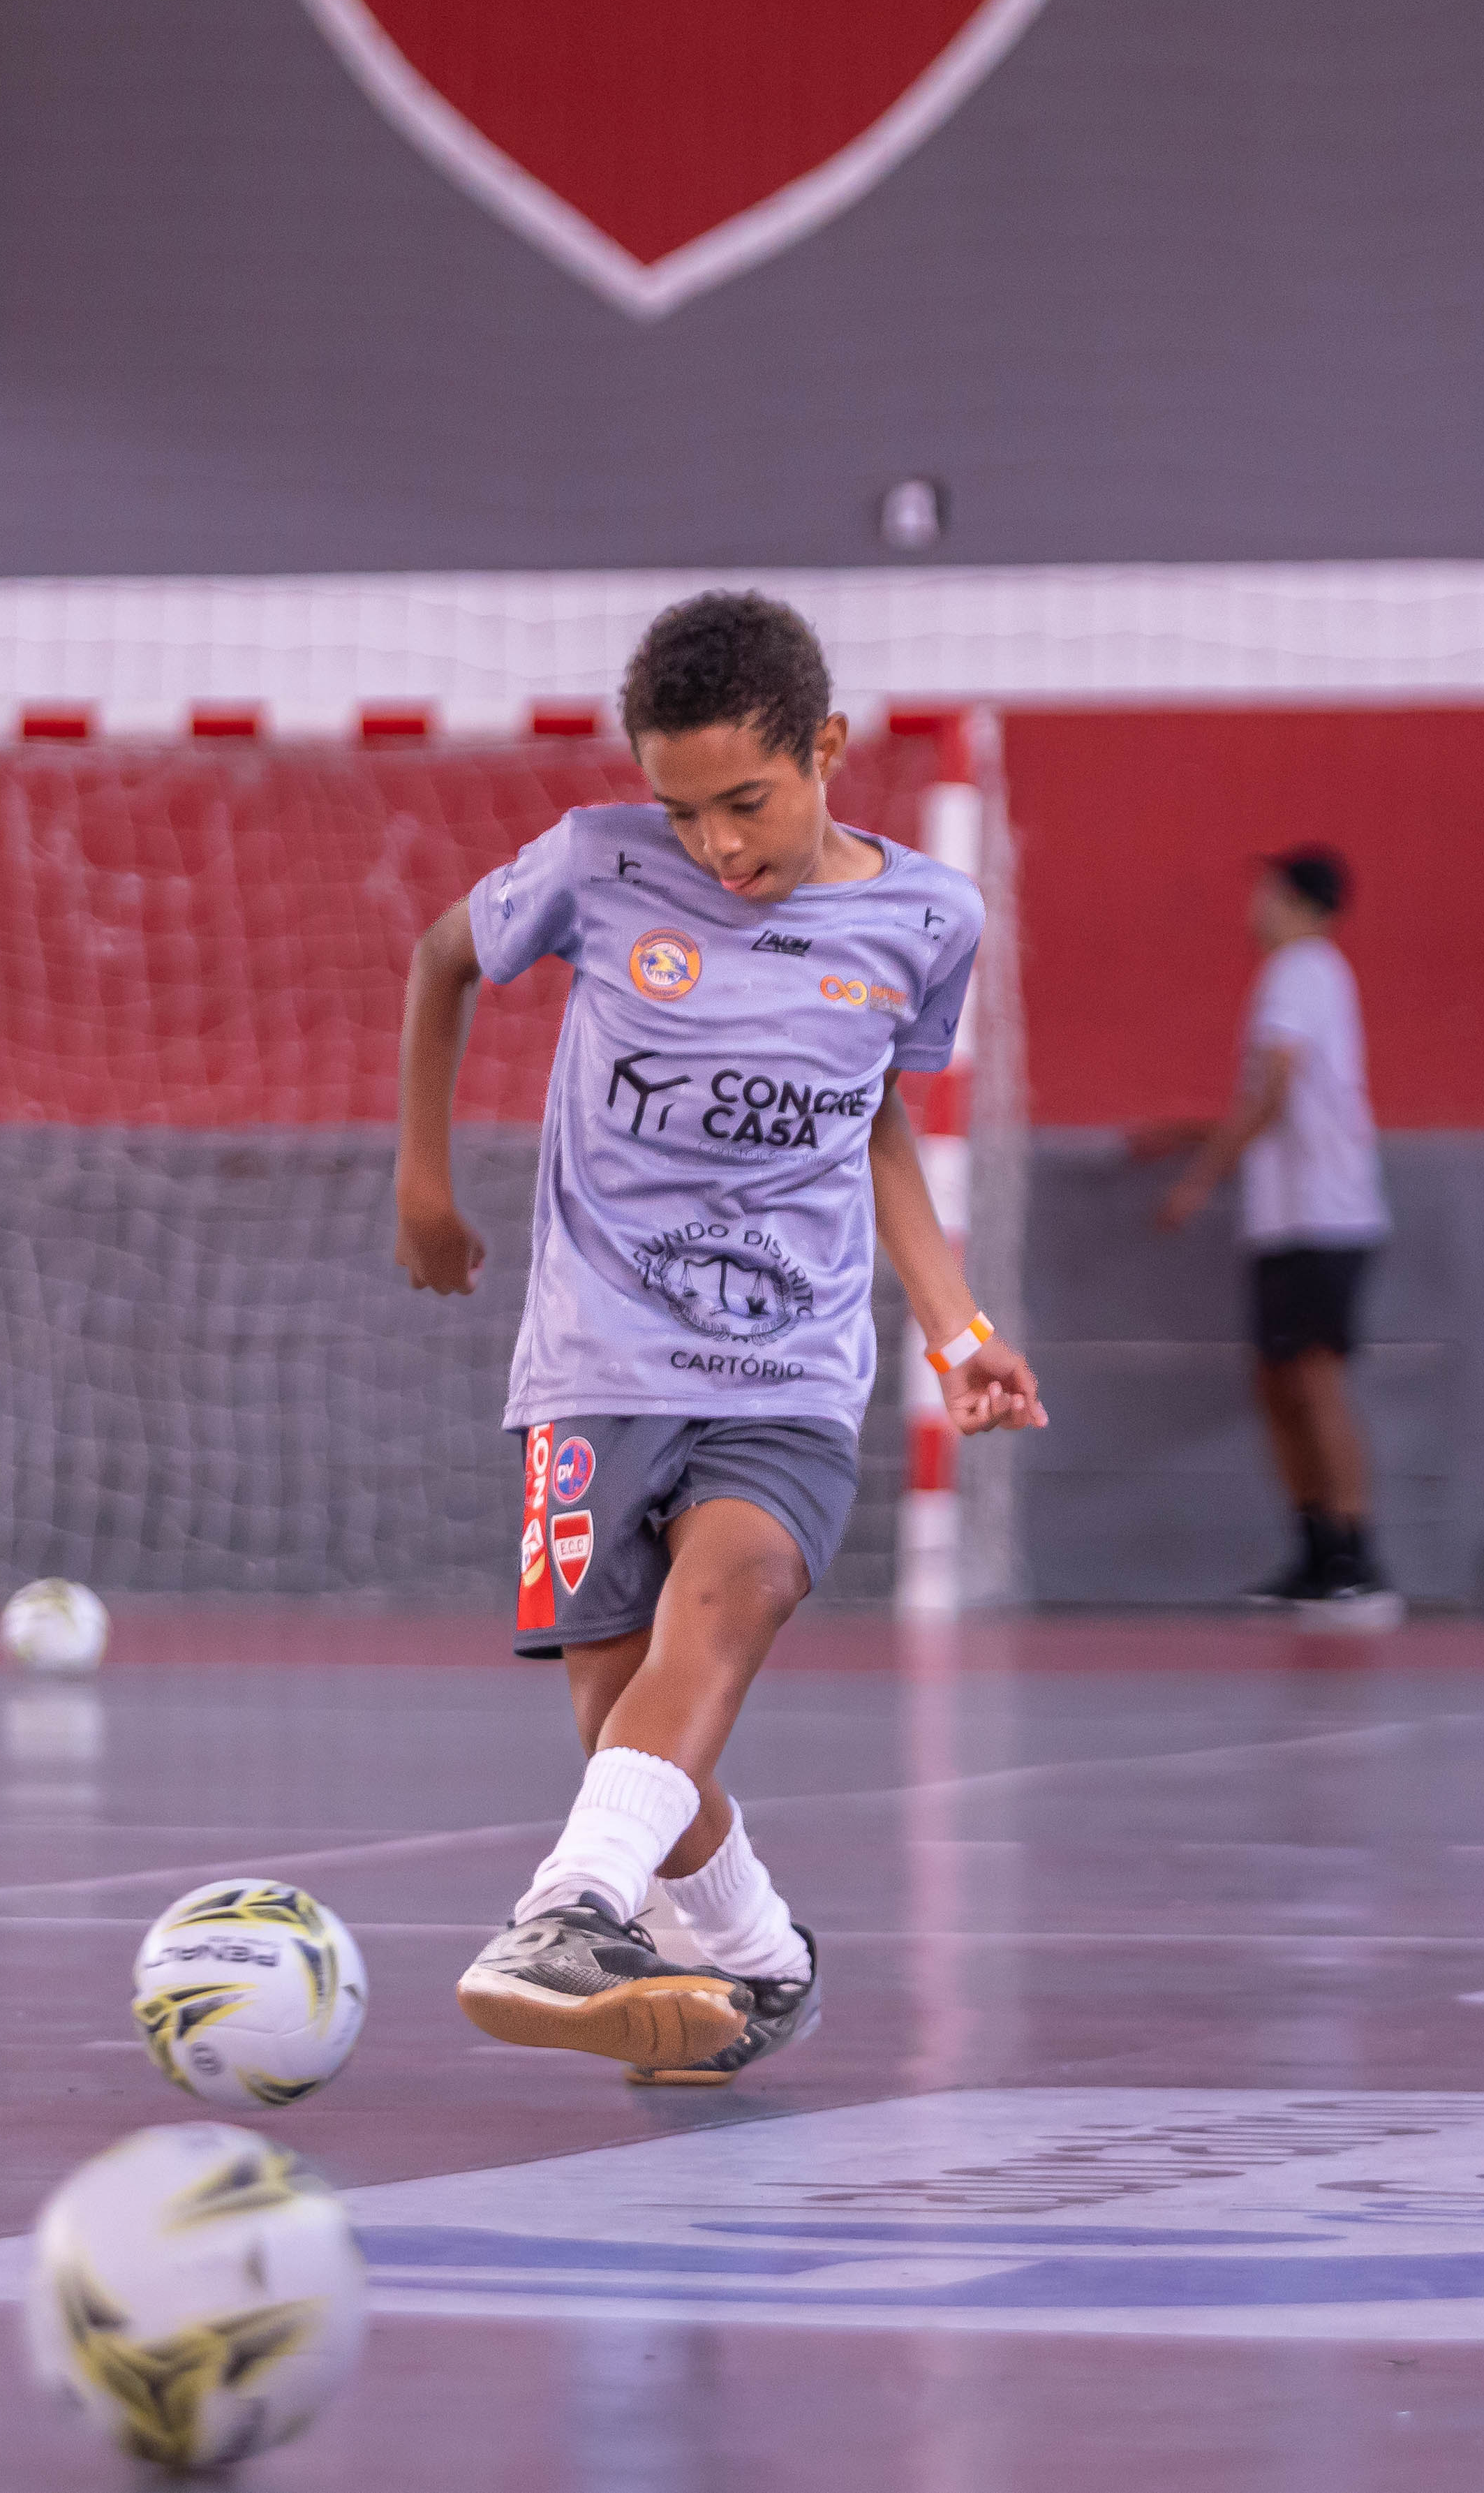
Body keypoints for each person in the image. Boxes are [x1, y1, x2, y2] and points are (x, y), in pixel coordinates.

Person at [394, 591, 1045, 2082]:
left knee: (732, 1593)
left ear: (826, 747)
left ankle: (566, 1911)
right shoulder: (594, 864)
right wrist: (421, 1184)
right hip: (596, 1353)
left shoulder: (927, 920)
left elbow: (876, 1119)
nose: (715, 847)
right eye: (681, 810)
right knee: (623, 1718)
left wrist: (958, 1328)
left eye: (745, 802)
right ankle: (758, 1957)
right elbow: (440, 958)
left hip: (788, 1365)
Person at [1148, 845, 1397, 1620]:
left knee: (1314, 1380)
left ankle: (1356, 1558)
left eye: (1264, 893)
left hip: (1325, 1214)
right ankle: (1316, 1549)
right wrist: (1186, 1134)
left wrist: (1199, 1179)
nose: (1252, 907)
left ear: (1296, 903)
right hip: (1289, 1218)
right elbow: (1280, 1099)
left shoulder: (1301, 969)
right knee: (1277, 1382)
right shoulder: (1304, 976)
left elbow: (1275, 1093)